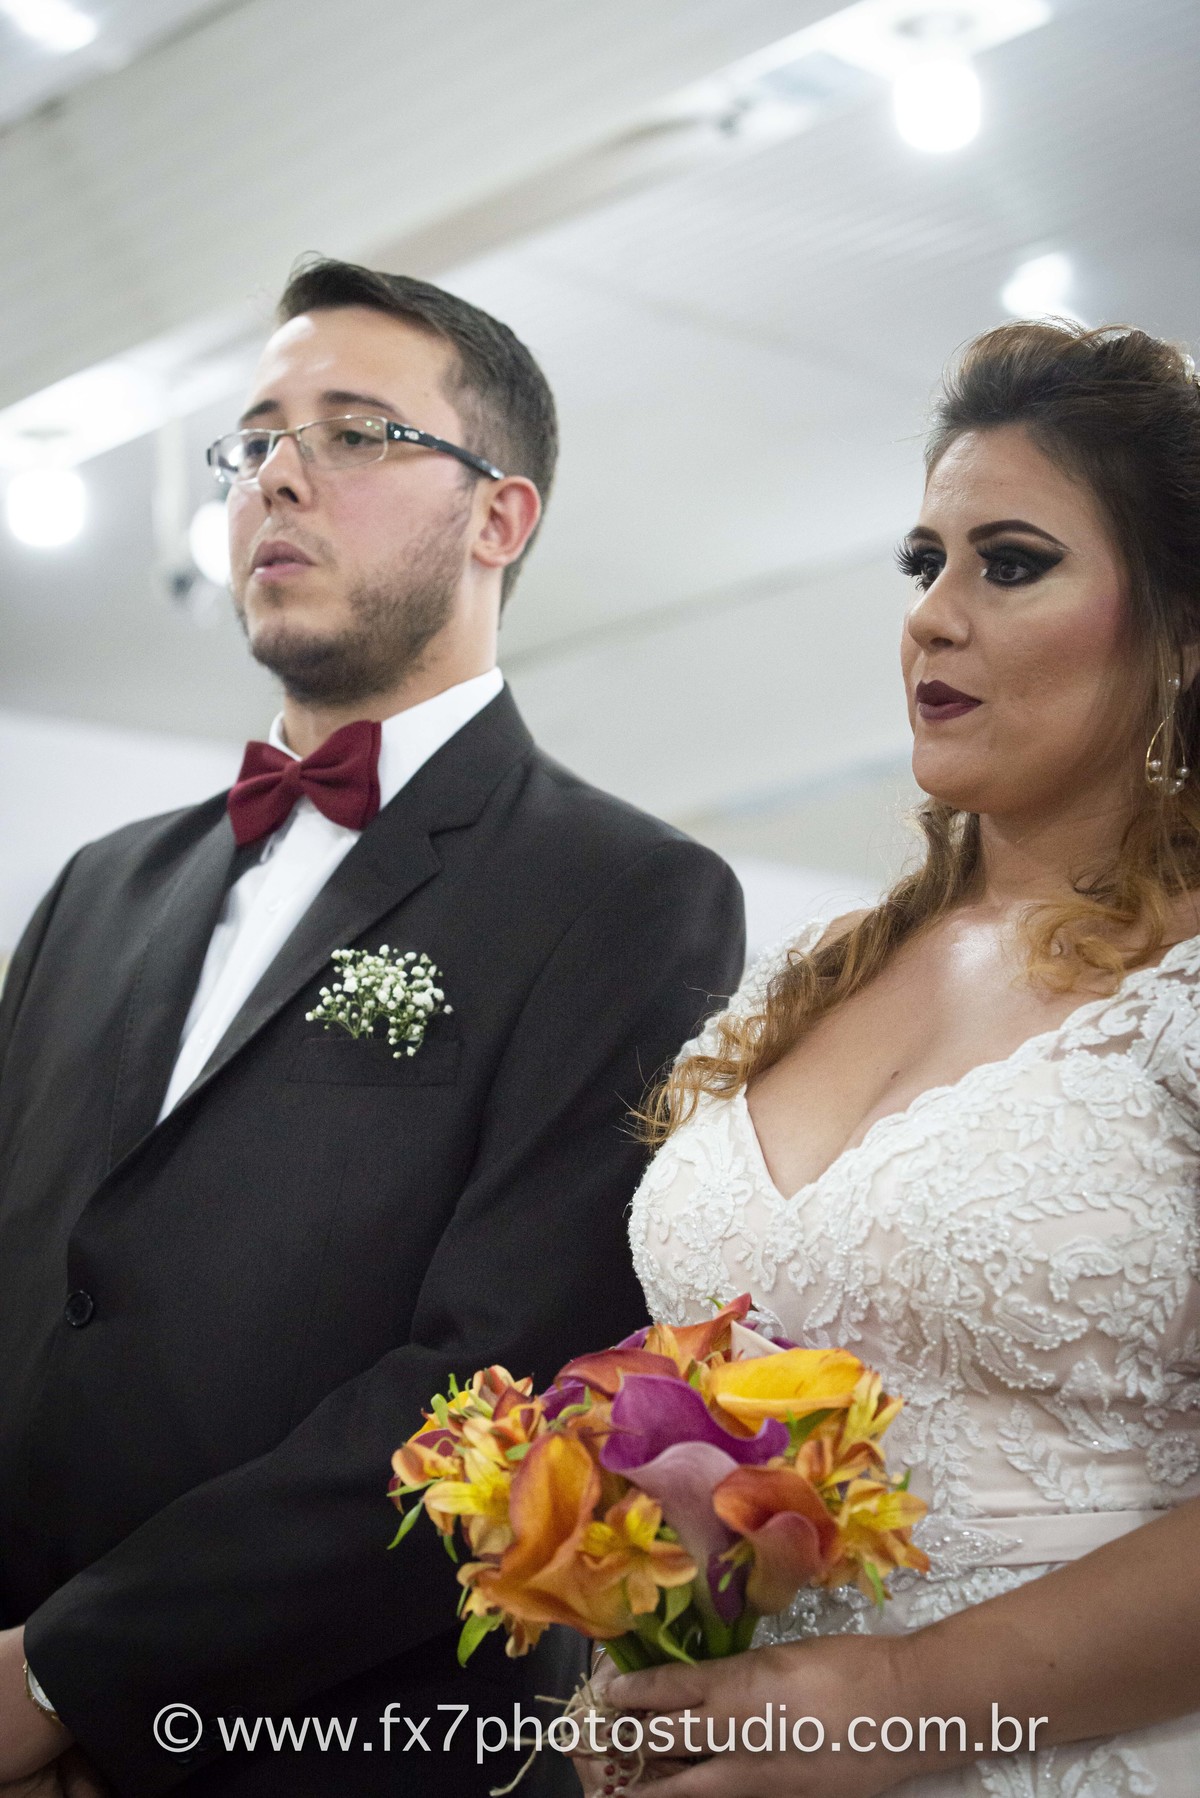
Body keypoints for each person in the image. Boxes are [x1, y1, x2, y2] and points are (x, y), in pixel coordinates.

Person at [0, 257, 745, 1798]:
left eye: (353, 433)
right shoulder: (97, 887)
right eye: (257, 438)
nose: (278, 474)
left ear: (498, 518)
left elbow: (502, 1387)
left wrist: (70, 1672)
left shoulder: (628, 895)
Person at [579, 320, 1200, 1796]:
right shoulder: (813, 975)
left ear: (1182, 634)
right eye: (924, 563)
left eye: (1012, 563)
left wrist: (902, 1697)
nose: (932, 615)